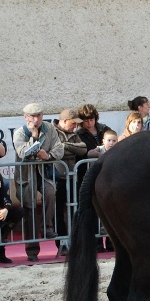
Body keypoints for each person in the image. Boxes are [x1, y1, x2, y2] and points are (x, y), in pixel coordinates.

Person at [13, 103, 64, 262]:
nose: (36, 119)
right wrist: (34, 137)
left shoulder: (50, 128)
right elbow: (23, 153)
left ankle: (47, 227)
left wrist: (47, 156)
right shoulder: (20, 132)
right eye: (33, 116)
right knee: (30, 209)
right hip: (27, 175)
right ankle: (32, 250)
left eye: (39, 115)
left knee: (50, 192)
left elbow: (59, 149)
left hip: (44, 171)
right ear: (26, 117)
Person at [53, 108, 87, 253]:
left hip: (72, 177)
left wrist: (65, 146)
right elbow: (56, 153)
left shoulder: (74, 135)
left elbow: (83, 149)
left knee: (75, 209)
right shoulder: (51, 133)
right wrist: (69, 150)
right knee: (59, 211)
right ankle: (62, 243)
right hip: (57, 178)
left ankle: (75, 241)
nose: (75, 126)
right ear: (65, 121)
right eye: (73, 123)